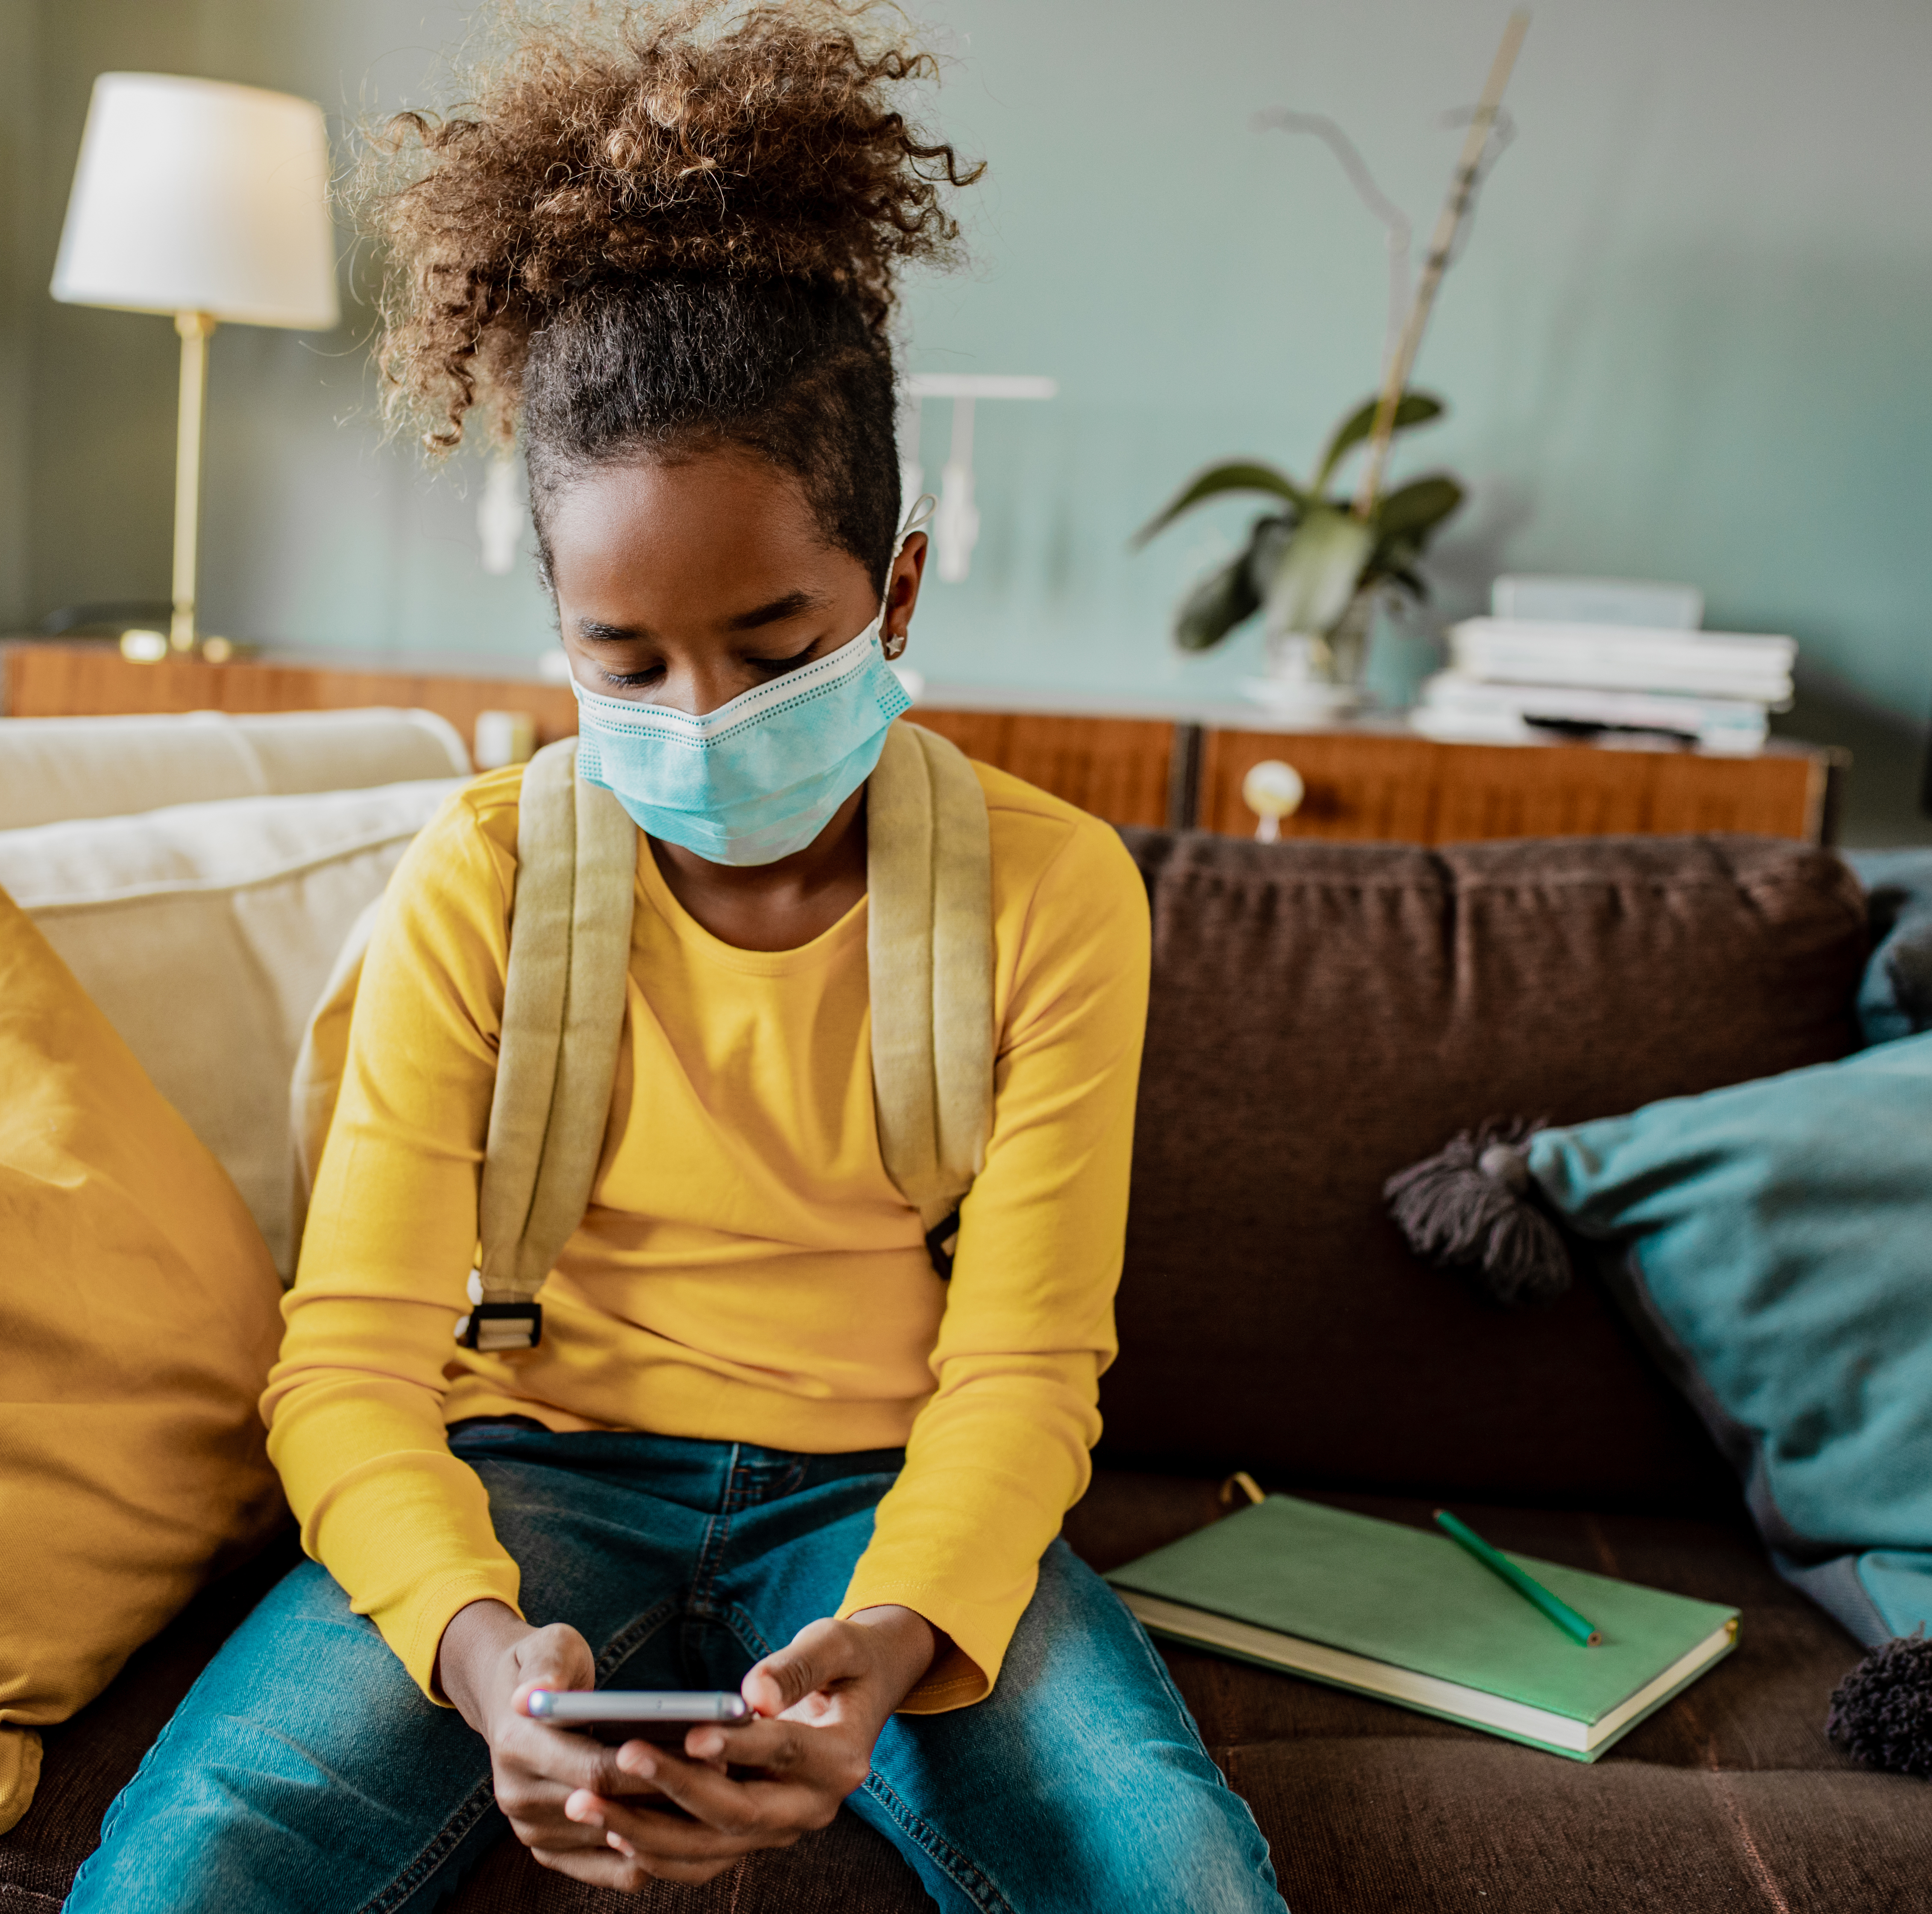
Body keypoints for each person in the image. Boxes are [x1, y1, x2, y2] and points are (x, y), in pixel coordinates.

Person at [67, 5, 1284, 1909]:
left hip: (887, 1494)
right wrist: (483, 1659)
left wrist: (893, 1642)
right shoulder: (481, 882)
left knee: (1176, 1873)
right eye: (624, 664)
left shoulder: (1055, 898)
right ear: (553, 617)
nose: (700, 719)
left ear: (896, 588)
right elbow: (350, 1367)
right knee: (192, 1869)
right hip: (534, 1477)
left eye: (775, 642)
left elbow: (1030, 1367)